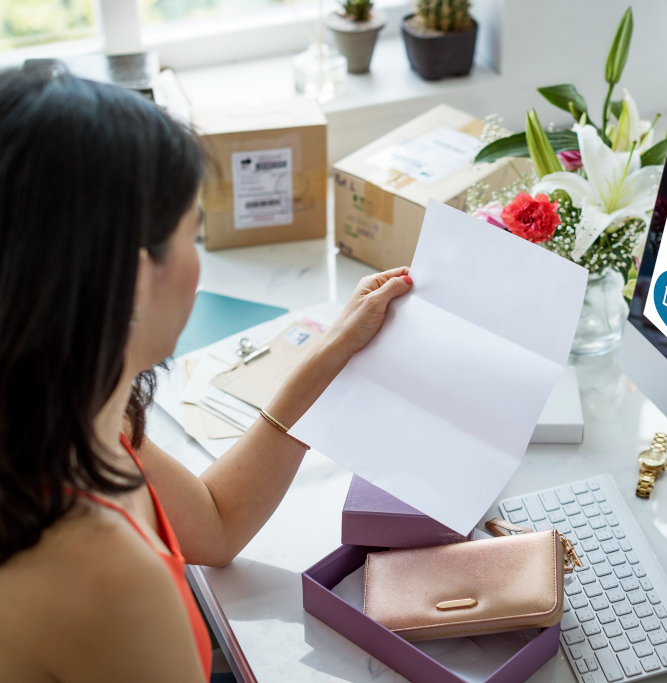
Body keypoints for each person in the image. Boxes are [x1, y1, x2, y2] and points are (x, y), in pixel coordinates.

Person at [0, 66, 411, 681]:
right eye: (193, 235)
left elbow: (215, 525)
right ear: (132, 279)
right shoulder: (109, 578)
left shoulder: (58, 414)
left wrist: (331, 355)